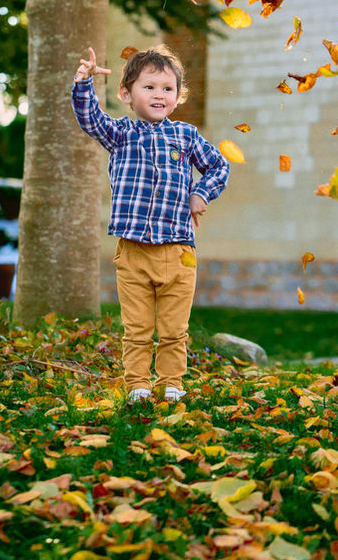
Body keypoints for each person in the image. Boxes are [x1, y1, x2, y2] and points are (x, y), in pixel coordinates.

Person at [71, 45, 229, 404]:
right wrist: (83, 83)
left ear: (177, 96)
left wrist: (201, 193)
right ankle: (138, 386)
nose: (159, 95)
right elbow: (90, 118)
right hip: (133, 251)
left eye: (167, 88)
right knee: (138, 328)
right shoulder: (120, 133)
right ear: (127, 93)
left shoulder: (186, 137)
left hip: (178, 251)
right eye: (149, 87)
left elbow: (219, 166)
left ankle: (172, 384)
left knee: (174, 329)